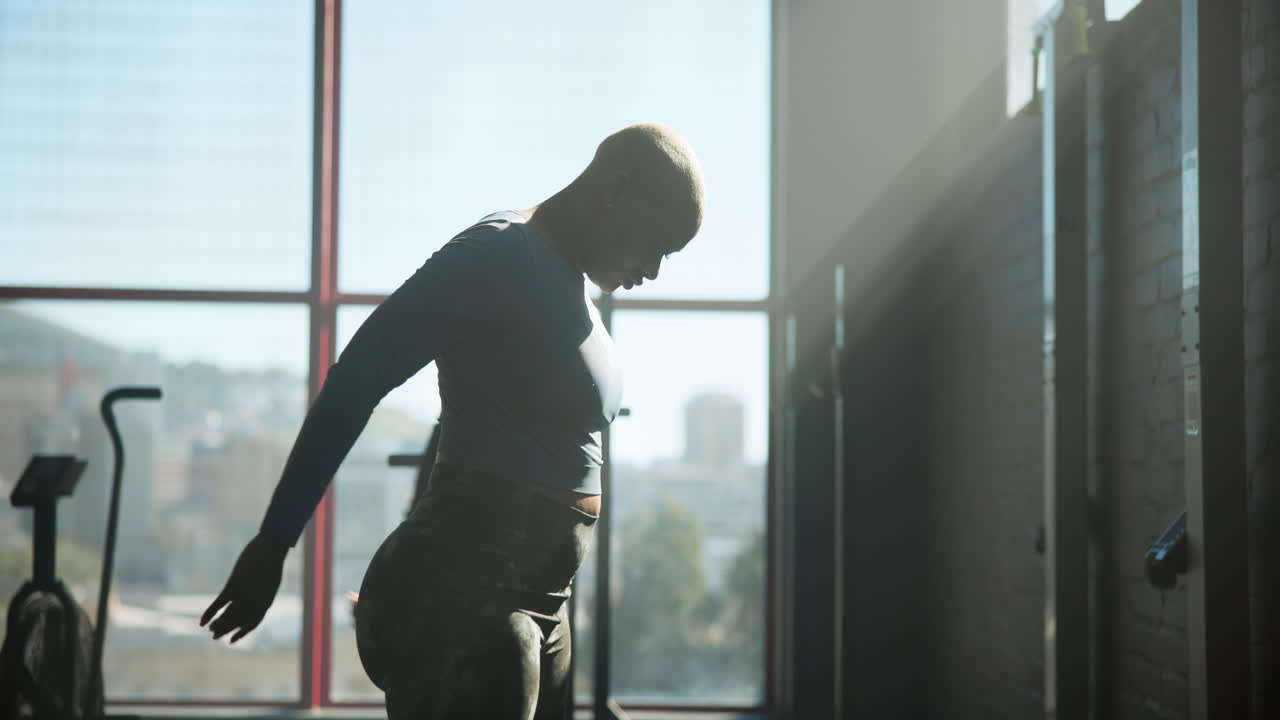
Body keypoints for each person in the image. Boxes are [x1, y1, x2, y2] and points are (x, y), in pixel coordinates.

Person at [199, 122, 705, 719]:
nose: (652, 271)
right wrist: (274, 540)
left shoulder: (576, 292)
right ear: (614, 189)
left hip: (546, 604)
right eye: (657, 245)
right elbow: (357, 379)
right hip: (467, 602)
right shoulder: (498, 253)